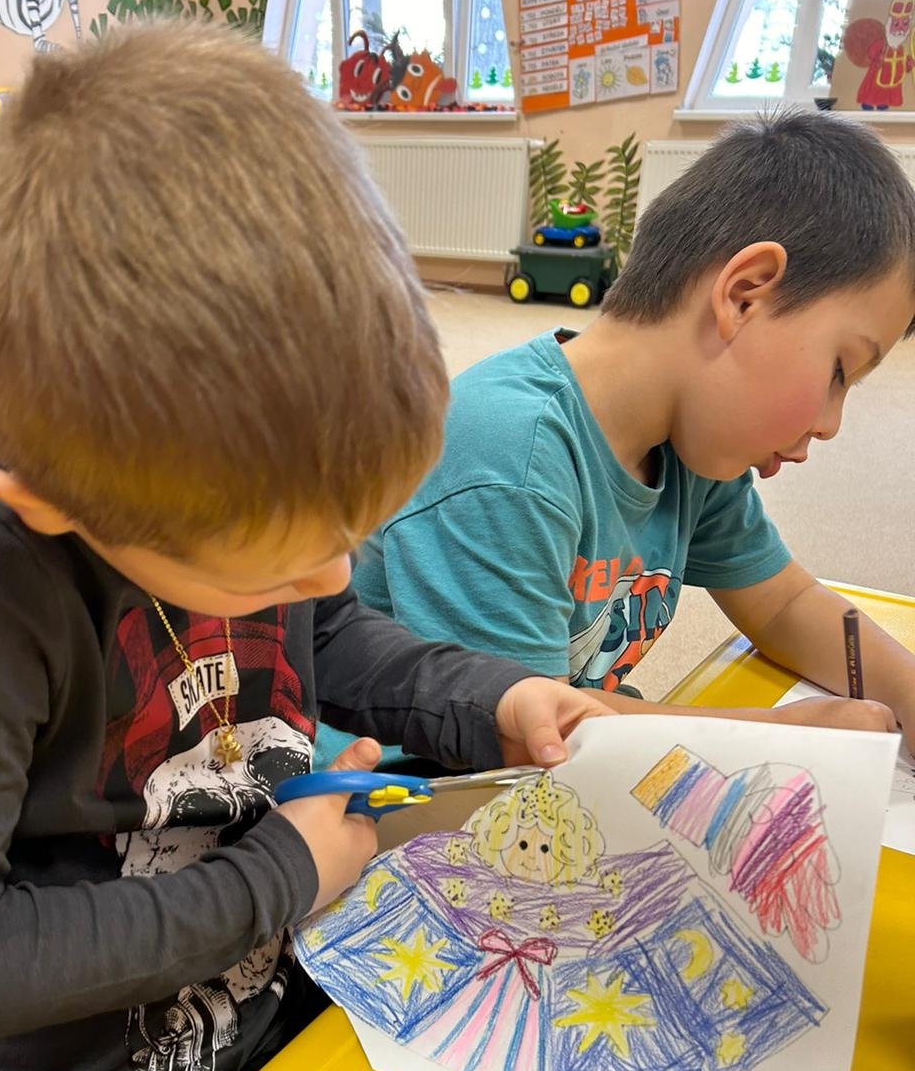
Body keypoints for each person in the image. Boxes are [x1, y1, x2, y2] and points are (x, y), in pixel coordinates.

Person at [0, 21, 613, 1071]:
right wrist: (281, 876)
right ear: (52, 505)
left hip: (276, 1007)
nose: (329, 572)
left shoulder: (216, 489)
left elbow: (330, 636)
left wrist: (494, 700)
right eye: (276, 564)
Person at [343, 109, 915, 753]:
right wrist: (786, 734)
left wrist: (908, 691)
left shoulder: (696, 444)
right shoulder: (508, 456)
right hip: (405, 787)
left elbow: (782, 604)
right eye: (839, 370)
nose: (831, 425)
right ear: (745, 294)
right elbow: (524, 736)